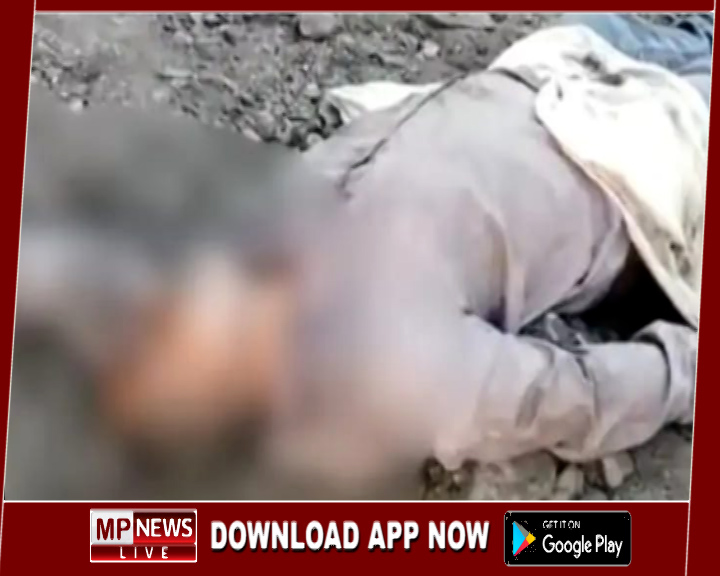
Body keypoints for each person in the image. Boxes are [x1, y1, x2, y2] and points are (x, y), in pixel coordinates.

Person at [15, 13, 711, 497]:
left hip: (556, 62)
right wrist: (686, 368)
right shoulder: (396, 370)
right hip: (648, 153)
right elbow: (580, 399)